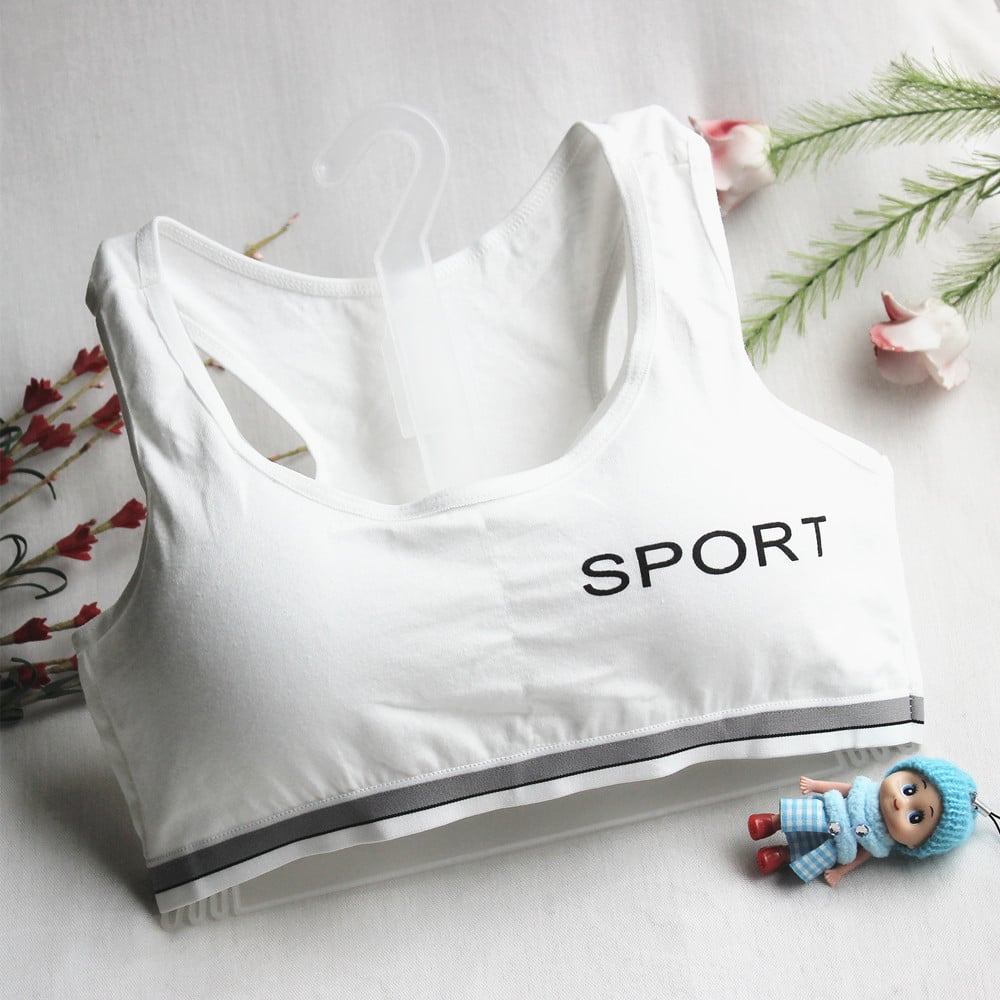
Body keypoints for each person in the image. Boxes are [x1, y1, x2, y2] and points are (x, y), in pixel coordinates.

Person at [748, 756, 978, 886]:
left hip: (835, 847)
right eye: (909, 790)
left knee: (808, 853)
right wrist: (816, 785)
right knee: (798, 815)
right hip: (827, 811)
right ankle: (772, 822)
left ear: (913, 845)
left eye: (915, 817)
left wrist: (841, 872)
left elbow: (862, 856)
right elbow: (845, 789)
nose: (901, 802)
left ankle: (781, 854)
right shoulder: (866, 791)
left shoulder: (880, 841)